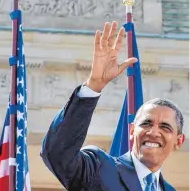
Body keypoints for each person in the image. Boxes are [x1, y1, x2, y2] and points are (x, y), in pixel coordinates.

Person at [41, 21, 185, 191]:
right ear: (132, 131)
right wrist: (93, 86)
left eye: (165, 127)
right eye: (146, 123)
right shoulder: (99, 168)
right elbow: (57, 154)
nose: (153, 132)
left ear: (178, 140)